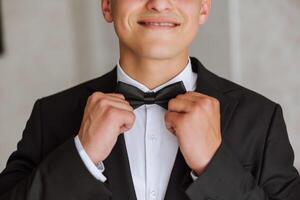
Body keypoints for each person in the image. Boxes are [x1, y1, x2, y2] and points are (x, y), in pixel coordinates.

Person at [0, 0, 299, 199]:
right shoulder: (49, 115)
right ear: (107, 5)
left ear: (204, 8)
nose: (158, 2)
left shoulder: (262, 119)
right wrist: (81, 158)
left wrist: (214, 165)